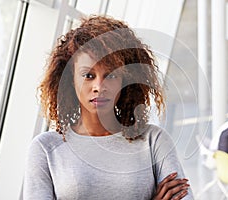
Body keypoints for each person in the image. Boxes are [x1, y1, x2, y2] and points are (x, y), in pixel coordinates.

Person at [23, 15, 193, 199]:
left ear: (125, 80)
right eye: (88, 75)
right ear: (70, 80)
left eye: (111, 76)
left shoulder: (153, 141)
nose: (99, 87)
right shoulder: (45, 148)